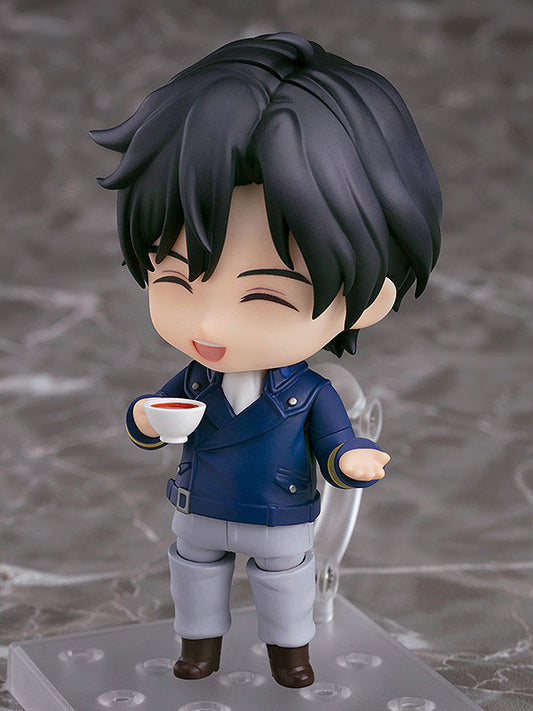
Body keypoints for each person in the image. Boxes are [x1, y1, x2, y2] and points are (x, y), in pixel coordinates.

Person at [90, 31, 441, 688]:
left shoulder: (309, 392)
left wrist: (349, 460)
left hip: (279, 513)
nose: (210, 324)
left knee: (285, 582)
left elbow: (334, 440)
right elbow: (154, 412)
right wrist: (144, 418)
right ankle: (199, 648)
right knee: (194, 574)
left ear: (369, 299)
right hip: (199, 504)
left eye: (264, 295)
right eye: (176, 277)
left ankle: (290, 654)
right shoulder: (197, 376)